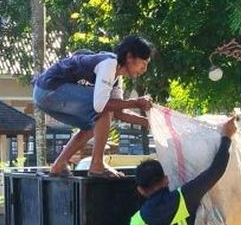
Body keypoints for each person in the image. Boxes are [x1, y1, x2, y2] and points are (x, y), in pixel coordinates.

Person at [36, 35, 155, 177]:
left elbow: (118, 112)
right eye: (143, 63)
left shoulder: (116, 78)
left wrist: (149, 123)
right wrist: (136, 102)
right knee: (103, 112)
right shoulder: (110, 63)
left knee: (93, 126)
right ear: (130, 57)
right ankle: (97, 164)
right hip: (49, 89)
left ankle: (59, 165)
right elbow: (101, 107)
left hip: (46, 96)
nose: (144, 69)